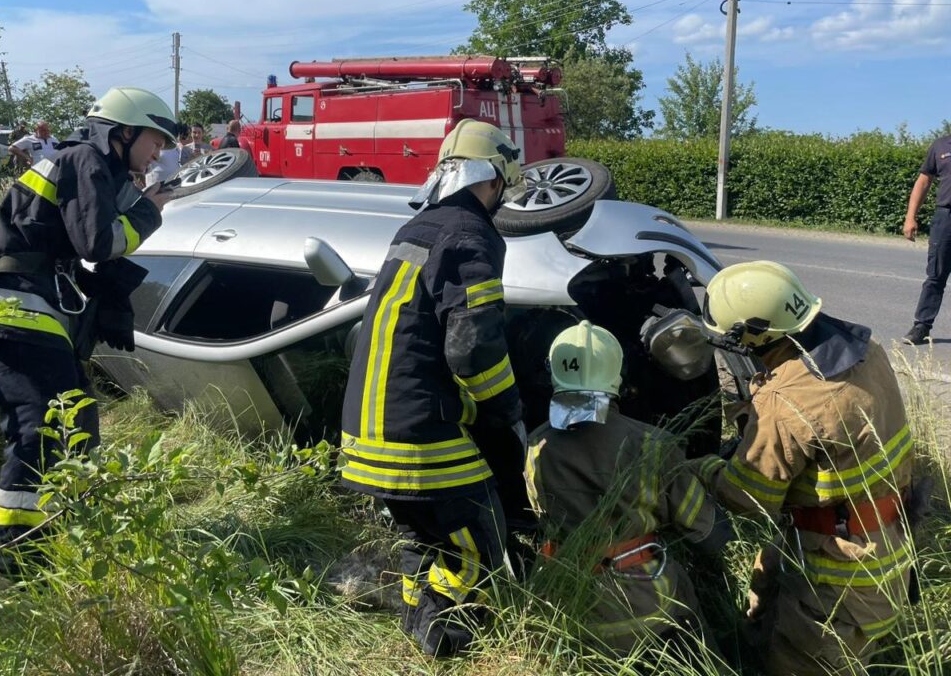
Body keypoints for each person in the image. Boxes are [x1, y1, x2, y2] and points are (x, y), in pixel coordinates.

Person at [0, 87, 179, 579]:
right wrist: (149, 210)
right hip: (16, 309)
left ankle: (64, 532)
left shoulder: (88, 164)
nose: (159, 152)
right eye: (155, 139)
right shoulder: (85, 159)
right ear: (123, 131)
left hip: (29, 307)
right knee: (39, 427)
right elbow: (98, 242)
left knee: (75, 421)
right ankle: (18, 559)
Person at [340, 119, 527, 657]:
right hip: (417, 432)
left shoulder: (420, 226)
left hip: (370, 429)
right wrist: (506, 412)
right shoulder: (471, 233)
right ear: (494, 179)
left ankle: (419, 632)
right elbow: (472, 346)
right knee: (476, 542)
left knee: (422, 541)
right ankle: (450, 644)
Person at [697, 260, 914, 676]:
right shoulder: (867, 349)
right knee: (764, 605)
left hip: (837, 572)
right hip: (885, 539)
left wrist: (704, 468)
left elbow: (747, 498)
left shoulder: (787, 402)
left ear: (754, 334)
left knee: (804, 663)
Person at [525, 321, 733, 654]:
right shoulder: (652, 443)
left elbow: (540, 513)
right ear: (616, 377)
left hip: (561, 598)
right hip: (647, 602)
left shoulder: (537, 445)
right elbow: (704, 529)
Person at [902, 133, 951, 345]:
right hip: (945, 217)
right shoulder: (941, 145)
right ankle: (921, 326)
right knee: (935, 275)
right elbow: (924, 180)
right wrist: (910, 217)